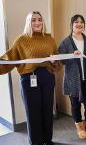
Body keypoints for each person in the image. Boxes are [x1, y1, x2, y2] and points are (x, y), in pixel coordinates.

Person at [0, 11, 60, 145]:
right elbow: (10, 57)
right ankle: (36, 142)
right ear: (29, 22)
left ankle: (47, 139)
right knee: (33, 112)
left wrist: (54, 61)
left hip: (47, 77)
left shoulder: (49, 39)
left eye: (39, 19)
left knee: (47, 110)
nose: (37, 22)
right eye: (33, 20)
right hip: (29, 79)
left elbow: (57, 59)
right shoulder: (22, 40)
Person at [58, 14, 86, 139]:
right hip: (73, 79)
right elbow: (61, 59)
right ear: (71, 25)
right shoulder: (65, 42)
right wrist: (71, 54)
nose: (79, 24)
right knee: (75, 104)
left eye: (82, 22)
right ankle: (80, 128)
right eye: (76, 22)